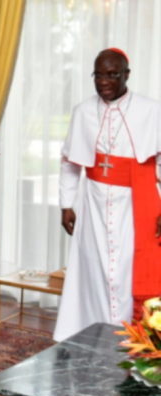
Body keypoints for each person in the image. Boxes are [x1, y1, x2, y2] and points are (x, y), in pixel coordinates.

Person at [54, 48, 161, 341]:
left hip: (134, 204)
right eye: (99, 75)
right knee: (94, 270)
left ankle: (132, 335)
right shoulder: (83, 111)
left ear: (126, 74)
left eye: (112, 74)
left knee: (128, 269)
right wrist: (66, 204)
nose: (104, 81)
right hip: (93, 204)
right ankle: (93, 333)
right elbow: (70, 162)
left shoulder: (151, 110)